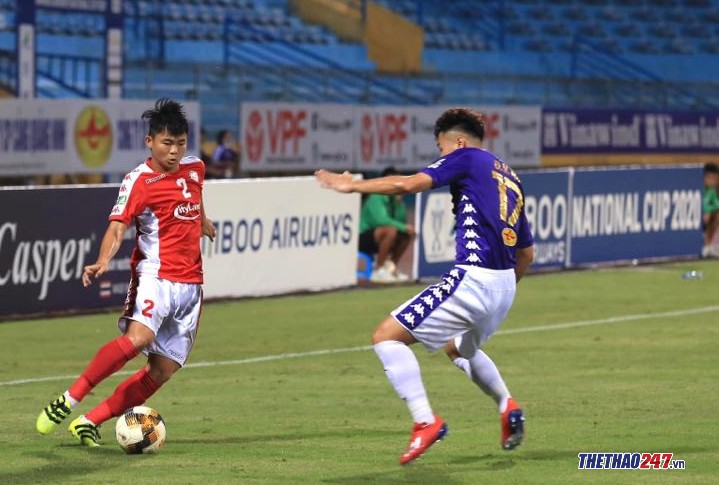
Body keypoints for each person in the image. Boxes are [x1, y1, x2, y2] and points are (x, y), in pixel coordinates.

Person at [315, 107, 534, 465]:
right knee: (458, 348)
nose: (441, 157)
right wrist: (501, 291)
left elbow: (407, 184)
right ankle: (506, 405)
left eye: (441, 148)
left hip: (474, 278)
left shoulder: (465, 157)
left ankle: (425, 421)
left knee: (386, 337)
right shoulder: (508, 175)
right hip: (505, 286)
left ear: (459, 142)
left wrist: (352, 185)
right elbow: (527, 253)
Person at [35, 98, 217, 446]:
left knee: (163, 370)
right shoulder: (138, 181)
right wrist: (104, 260)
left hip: (191, 287)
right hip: (156, 278)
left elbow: (196, 195)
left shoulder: (196, 169)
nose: (175, 152)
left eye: (180, 143)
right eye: (167, 144)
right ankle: (70, 398)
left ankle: (89, 421)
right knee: (139, 339)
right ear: (150, 142)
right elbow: (118, 227)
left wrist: (202, 219)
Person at [358, 167, 415, 283]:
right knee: (391, 231)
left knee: (406, 234)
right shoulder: (376, 196)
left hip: (381, 237)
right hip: (362, 238)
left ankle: (390, 269)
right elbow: (381, 220)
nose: (396, 184)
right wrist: (403, 227)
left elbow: (401, 222)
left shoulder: (396, 200)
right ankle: (378, 270)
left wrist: (399, 204)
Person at [701, 162, 719, 258]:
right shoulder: (698, 188)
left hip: (706, 220)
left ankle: (709, 246)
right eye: (709, 178)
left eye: (714, 179)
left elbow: (717, 205)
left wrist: (708, 210)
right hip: (698, 219)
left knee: (716, 215)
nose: (712, 181)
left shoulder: (712, 192)